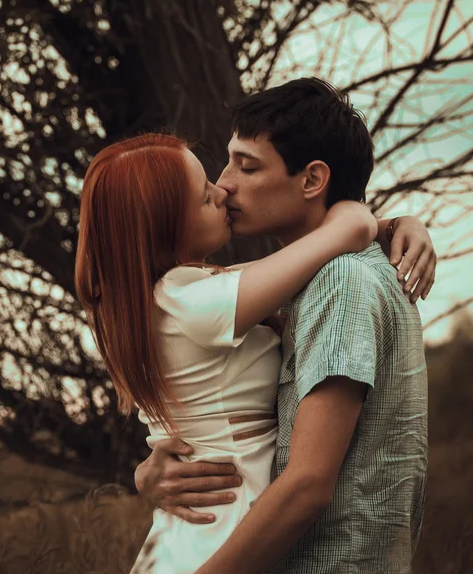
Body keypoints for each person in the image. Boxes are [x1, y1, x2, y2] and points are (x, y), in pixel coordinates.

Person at [134, 78, 432, 574]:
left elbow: (307, 485)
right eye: (228, 160)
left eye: (247, 165)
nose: (224, 182)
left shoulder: (343, 281)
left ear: (312, 180)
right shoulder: (321, 281)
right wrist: (151, 471)